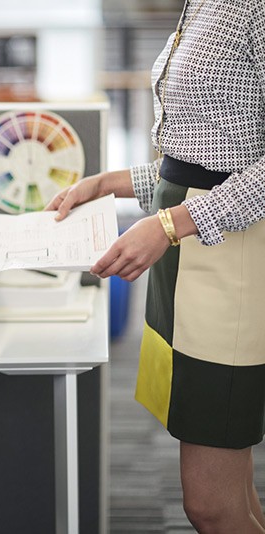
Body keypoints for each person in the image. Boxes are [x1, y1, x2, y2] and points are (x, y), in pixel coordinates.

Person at [47, 1, 265, 532]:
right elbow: (200, 158)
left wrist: (169, 226)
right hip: (189, 251)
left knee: (210, 505)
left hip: (228, 261)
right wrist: (108, 183)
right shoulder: (203, 4)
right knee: (235, 489)